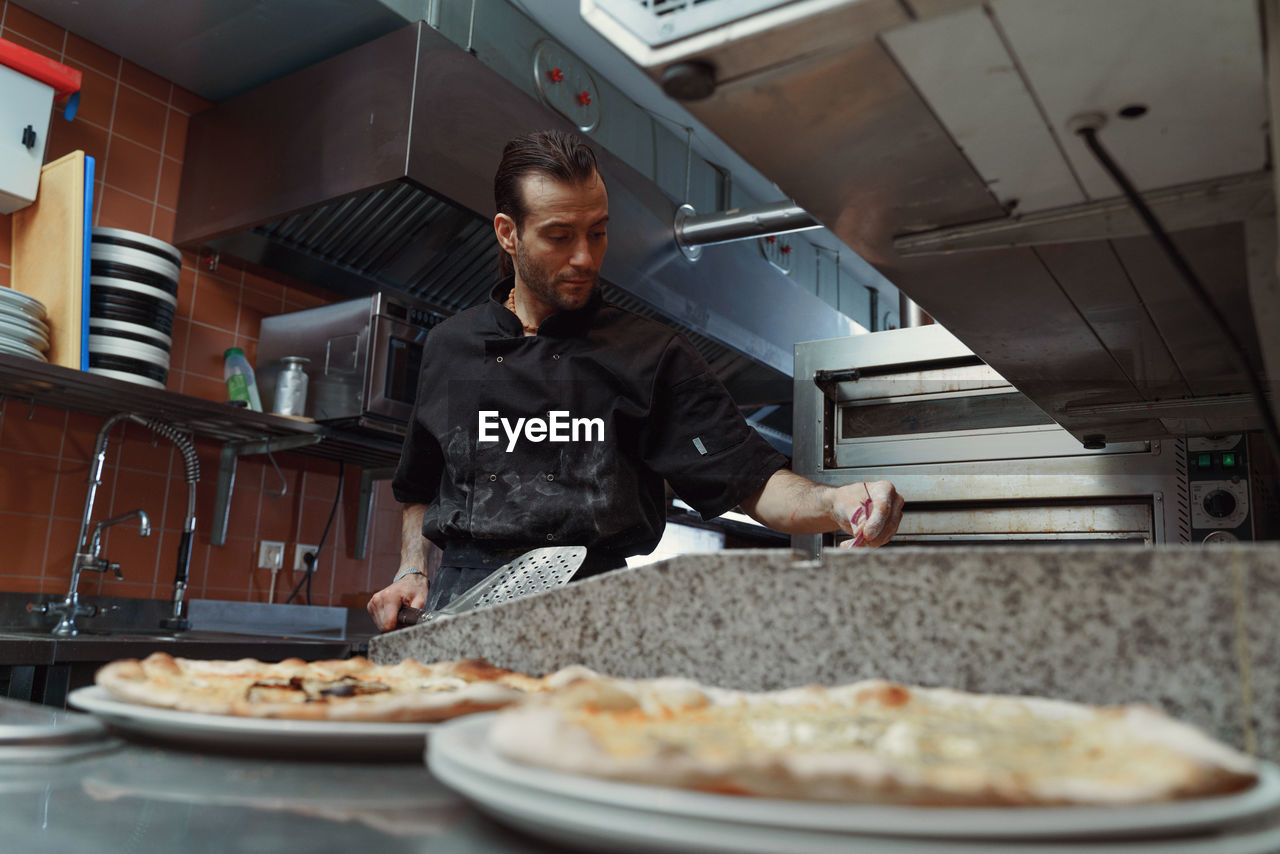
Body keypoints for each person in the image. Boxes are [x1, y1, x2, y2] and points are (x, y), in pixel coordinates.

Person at [366, 130, 903, 631]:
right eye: (559, 236)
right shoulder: (450, 347)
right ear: (508, 233)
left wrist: (837, 502)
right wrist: (411, 569)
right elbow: (418, 489)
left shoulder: (651, 356)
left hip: (594, 616)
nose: (585, 257)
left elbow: (751, 483)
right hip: (459, 615)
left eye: (597, 232)